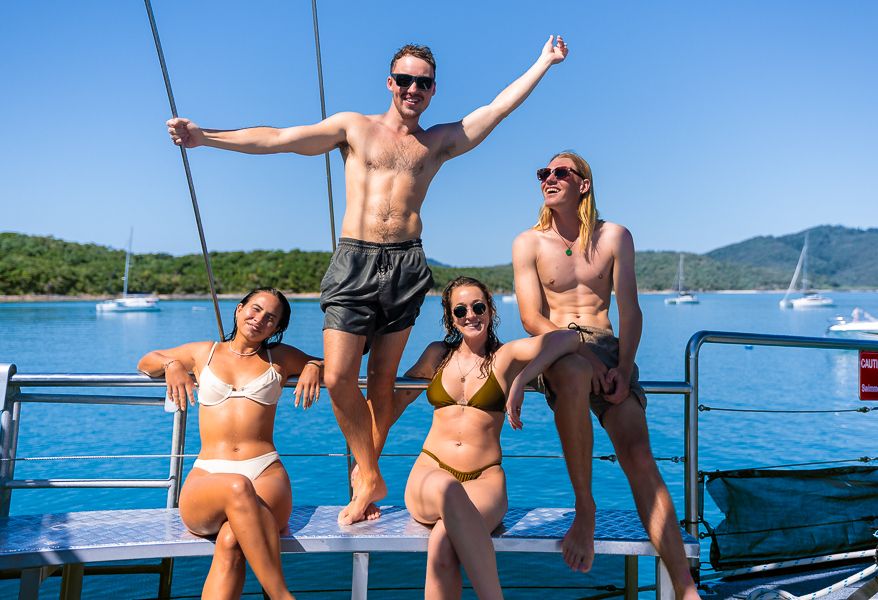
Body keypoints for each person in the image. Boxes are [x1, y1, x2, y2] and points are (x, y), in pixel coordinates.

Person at [166, 37, 569, 524]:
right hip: (354, 261)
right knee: (338, 378)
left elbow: (496, 109)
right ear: (390, 83)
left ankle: (365, 487)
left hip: (406, 265)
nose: (412, 88)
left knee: (381, 384)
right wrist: (204, 136)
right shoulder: (353, 128)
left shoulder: (437, 141)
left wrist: (543, 62)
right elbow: (278, 138)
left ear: (433, 89)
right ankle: (369, 470)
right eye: (404, 79)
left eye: (422, 81)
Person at [512, 152, 701, 598]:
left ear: (584, 184)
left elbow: (630, 309)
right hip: (560, 347)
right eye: (544, 173)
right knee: (576, 372)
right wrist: (581, 351)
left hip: (611, 350)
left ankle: (685, 585)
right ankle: (585, 508)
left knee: (639, 454)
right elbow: (530, 318)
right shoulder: (529, 243)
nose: (549, 179)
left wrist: (620, 366)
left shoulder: (615, 236)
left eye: (561, 173)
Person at [398, 276, 580, 599]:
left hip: (485, 480)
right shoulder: (436, 355)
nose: (471, 315)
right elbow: (395, 402)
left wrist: (523, 377)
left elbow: (568, 339)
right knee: (446, 486)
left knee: (442, 541)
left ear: (490, 309)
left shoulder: (505, 357)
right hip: (430, 472)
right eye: (460, 310)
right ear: (450, 318)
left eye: (478, 306)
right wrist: (366, 461)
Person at [137, 288, 323, 600]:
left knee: (231, 542)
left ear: (276, 329)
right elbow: (146, 361)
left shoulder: (281, 357)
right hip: (209, 475)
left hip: (266, 473)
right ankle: (282, 596)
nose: (259, 319)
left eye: (270, 318)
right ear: (239, 310)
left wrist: (314, 366)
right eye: (255, 309)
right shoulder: (204, 353)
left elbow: (333, 367)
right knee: (236, 486)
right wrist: (172, 366)